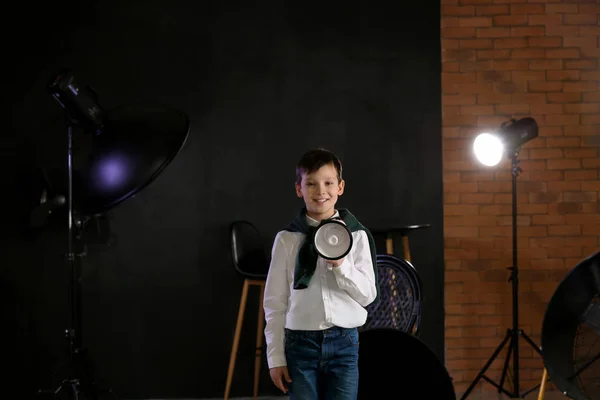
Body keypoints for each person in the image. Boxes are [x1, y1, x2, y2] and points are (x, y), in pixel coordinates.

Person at [263, 148, 378, 400]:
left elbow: (368, 295)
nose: (320, 191)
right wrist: (275, 357)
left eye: (328, 182)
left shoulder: (357, 236)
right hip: (300, 344)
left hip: (344, 342)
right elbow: (274, 303)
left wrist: (341, 265)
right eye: (311, 184)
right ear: (299, 189)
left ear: (340, 187)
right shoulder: (287, 240)